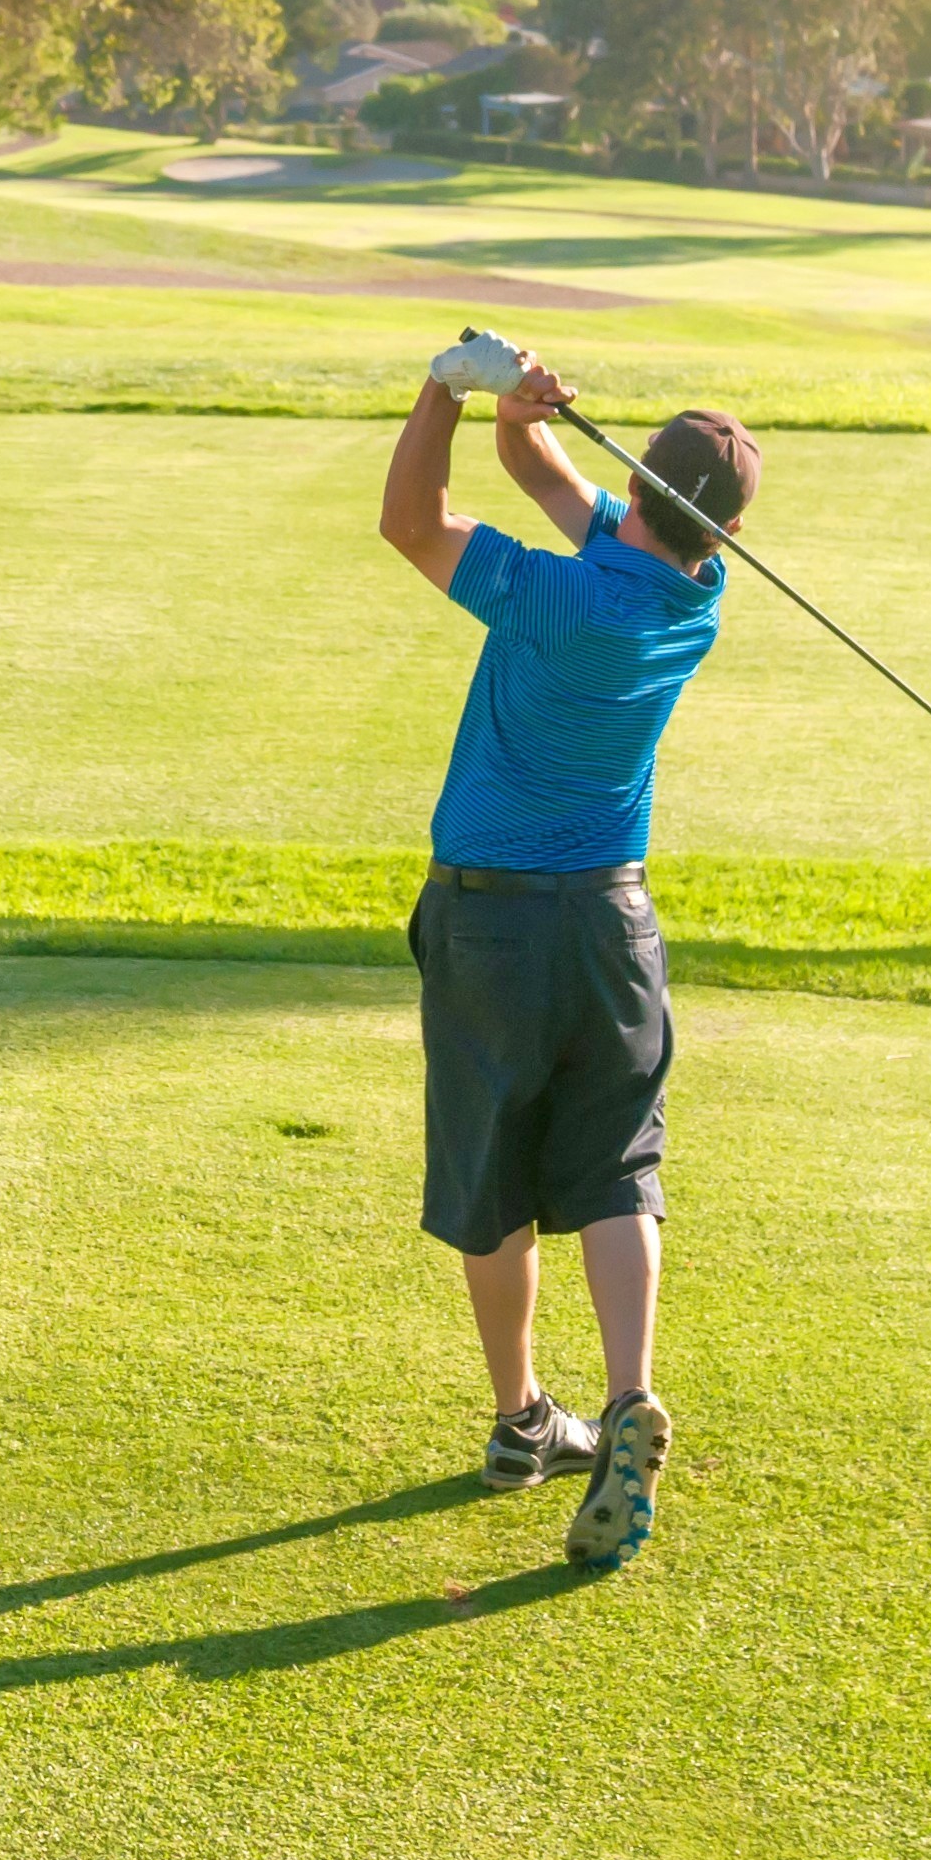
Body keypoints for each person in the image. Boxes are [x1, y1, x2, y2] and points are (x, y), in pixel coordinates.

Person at [374, 329, 754, 1569]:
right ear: (721, 530)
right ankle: (628, 1393)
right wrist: (521, 414)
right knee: (616, 1165)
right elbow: (541, 474)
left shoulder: (559, 595)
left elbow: (411, 523)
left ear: (635, 482)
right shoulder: (696, 595)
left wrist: (444, 387)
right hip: (614, 923)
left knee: (495, 1176)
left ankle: (522, 1417)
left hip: (491, 922)